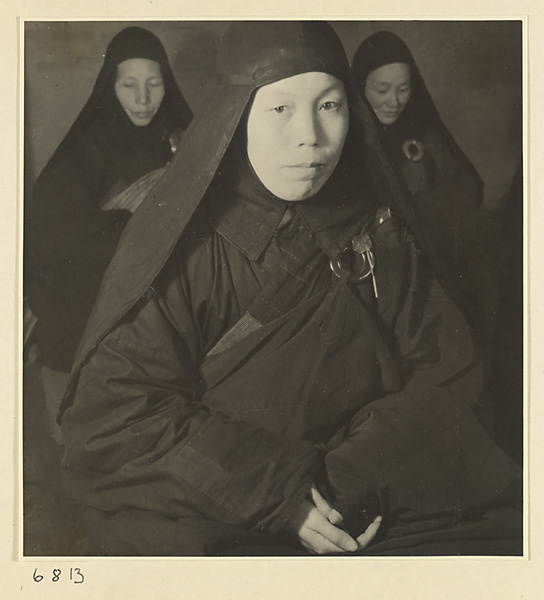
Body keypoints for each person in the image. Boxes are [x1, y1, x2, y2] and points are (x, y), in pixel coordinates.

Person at [58, 21, 521, 557]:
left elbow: (448, 372)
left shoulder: (378, 229)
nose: (310, 135)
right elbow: (117, 416)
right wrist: (278, 493)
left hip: (369, 485)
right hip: (222, 500)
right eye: (280, 108)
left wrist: (350, 480)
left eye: (329, 106)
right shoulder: (184, 246)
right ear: (236, 118)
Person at [26, 26, 193, 377]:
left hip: (170, 291)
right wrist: (133, 227)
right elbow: (47, 230)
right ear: (110, 86)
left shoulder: (182, 139)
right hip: (90, 296)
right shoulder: (88, 146)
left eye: (155, 84)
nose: (144, 99)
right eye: (129, 85)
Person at [352, 31, 501, 359]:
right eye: (382, 89)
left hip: (443, 253)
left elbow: (465, 187)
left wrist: (424, 206)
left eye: (404, 89)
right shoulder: (349, 146)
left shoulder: (423, 133)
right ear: (360, 86)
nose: (394, 101)